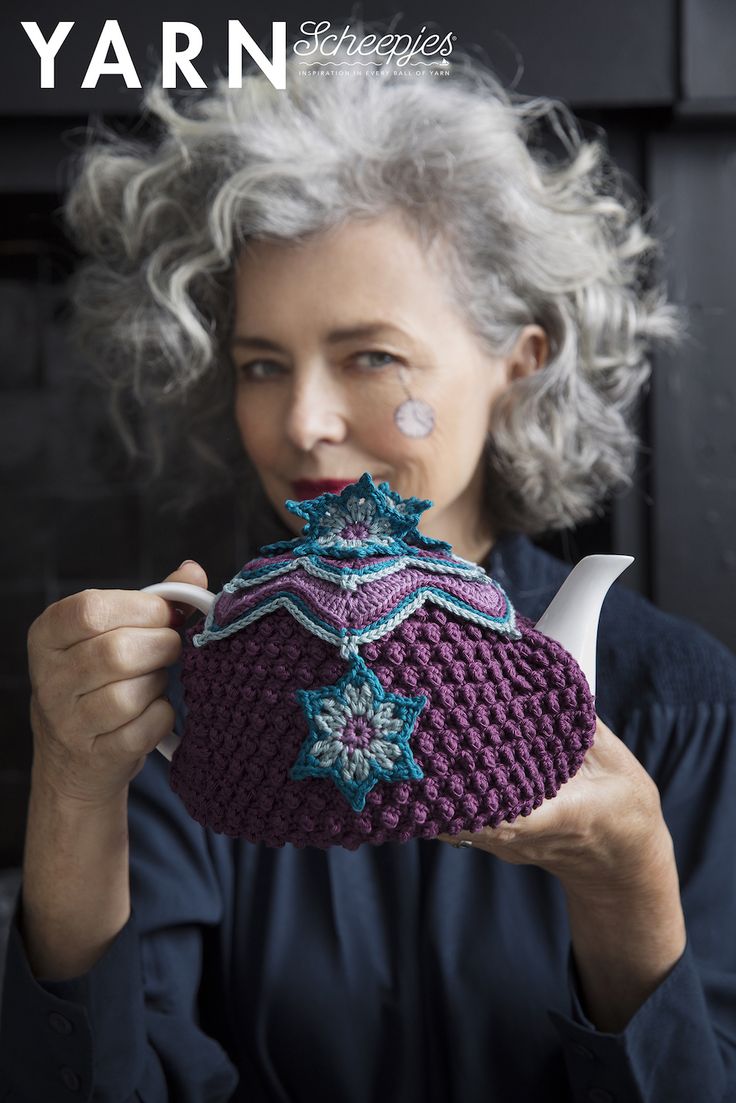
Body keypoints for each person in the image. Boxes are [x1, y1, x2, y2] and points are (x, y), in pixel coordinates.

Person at [1, 30, 735, 1103]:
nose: (301, 423)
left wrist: (629, 890)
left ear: (515, 364)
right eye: (261, 364)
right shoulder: (200, 691)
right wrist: (74, 783)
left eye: (371, 356)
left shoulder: (677, 705)